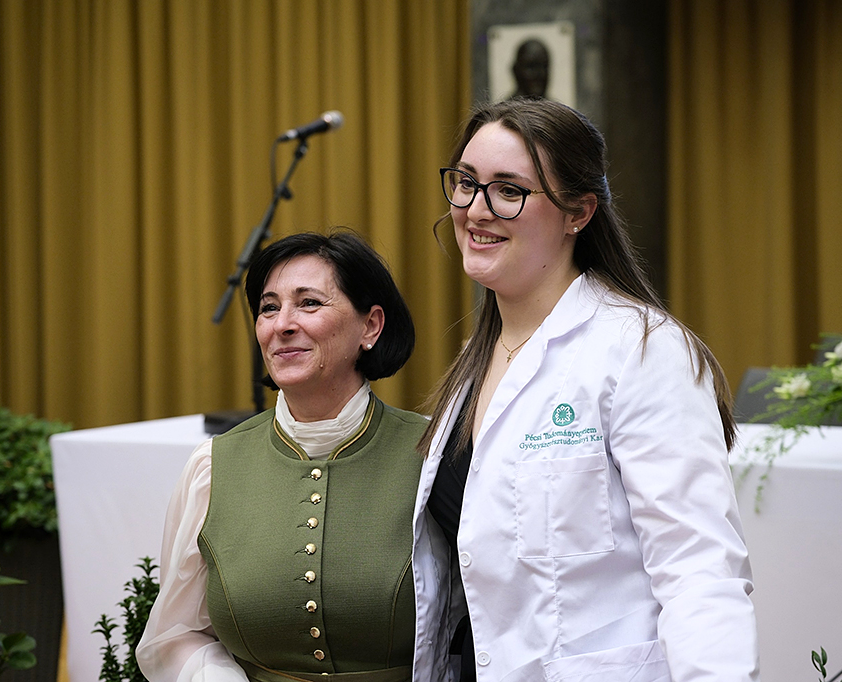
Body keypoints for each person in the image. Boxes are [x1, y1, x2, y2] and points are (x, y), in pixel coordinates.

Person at [409, 98, 760, 682]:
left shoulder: (642, 350)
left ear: (578, 212)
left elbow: (699, 570)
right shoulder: (476, 362)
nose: (476, 209)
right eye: (466, 183)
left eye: (509, 190)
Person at [137, 230, 432, 682]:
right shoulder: (213, 466)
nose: (282, 324)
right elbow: (175, 634)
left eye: (309, 303)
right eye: (269, 308)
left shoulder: (434, 455)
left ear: (371, 326)